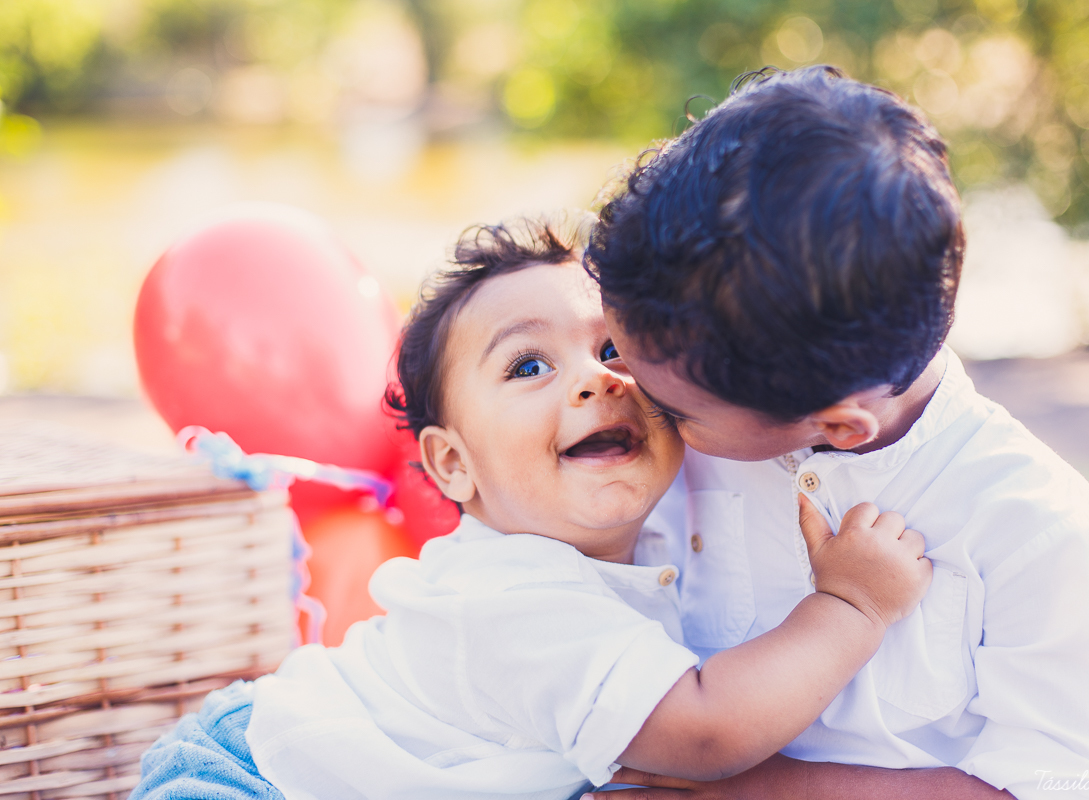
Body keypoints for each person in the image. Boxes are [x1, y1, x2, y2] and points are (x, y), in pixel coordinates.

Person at [132, 216, 932, 800]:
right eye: (528, 365)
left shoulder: (635, 529)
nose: (596, 379)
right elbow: (704, 732)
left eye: (613, 348)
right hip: (256, 779)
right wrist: (851, 606)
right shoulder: (512, 597)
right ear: (452, 463)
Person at [585, 66, 1089, 800]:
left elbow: (1057, 787)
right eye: (609, 352)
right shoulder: (694, 430)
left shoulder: (1039, 531)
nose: (627, 395)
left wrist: (753, 788)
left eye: (677, 407)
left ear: (840, 429)